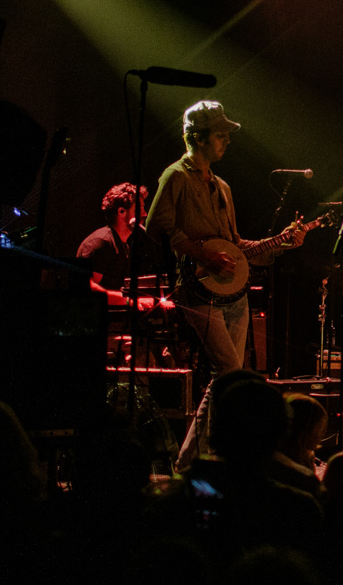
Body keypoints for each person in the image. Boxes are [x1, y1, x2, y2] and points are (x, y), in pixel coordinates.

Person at [147, 100, 306, 469]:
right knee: (231, 375)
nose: (227, 142)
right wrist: (202, 255)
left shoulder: (223, 187)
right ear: (198, 137)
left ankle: (192, 461)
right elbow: (155, 226)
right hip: (196, 287)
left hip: (232, 291)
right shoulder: (175, 177)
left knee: (228, 378)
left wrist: (280, 243)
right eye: (221, 135)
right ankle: (205, 459)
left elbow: (235, 245)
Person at [76, 183, 167, 311]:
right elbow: (87, 287)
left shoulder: (123, 244)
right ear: (121, 211)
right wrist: (130, 301)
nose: (145, 214)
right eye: (139, 208)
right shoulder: (101, 243)